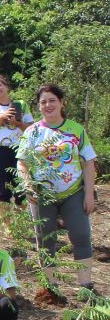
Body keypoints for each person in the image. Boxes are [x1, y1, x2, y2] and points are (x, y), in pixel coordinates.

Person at [16, 83, 98, 297]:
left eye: (52, 100)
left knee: (81, 236)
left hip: (73, 192)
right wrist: (28, 186)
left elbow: (89, 162)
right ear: (39, 106)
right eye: (43, 102)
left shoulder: (76, 129)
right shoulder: (32, 132)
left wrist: (89, 193)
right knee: (45, 239)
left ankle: (85, 287)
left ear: (62, 103)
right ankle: (51, 288)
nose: (48, 105)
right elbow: (22, 163)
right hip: (42, 194)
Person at [0, 75, 32, 206]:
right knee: (2, 191)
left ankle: (22, 224)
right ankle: (7, 226)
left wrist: (17, 123)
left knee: (21, 189)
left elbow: (32, 129)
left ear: (7, 87)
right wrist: (0, 118)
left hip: (19, 150)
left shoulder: (20, 105)